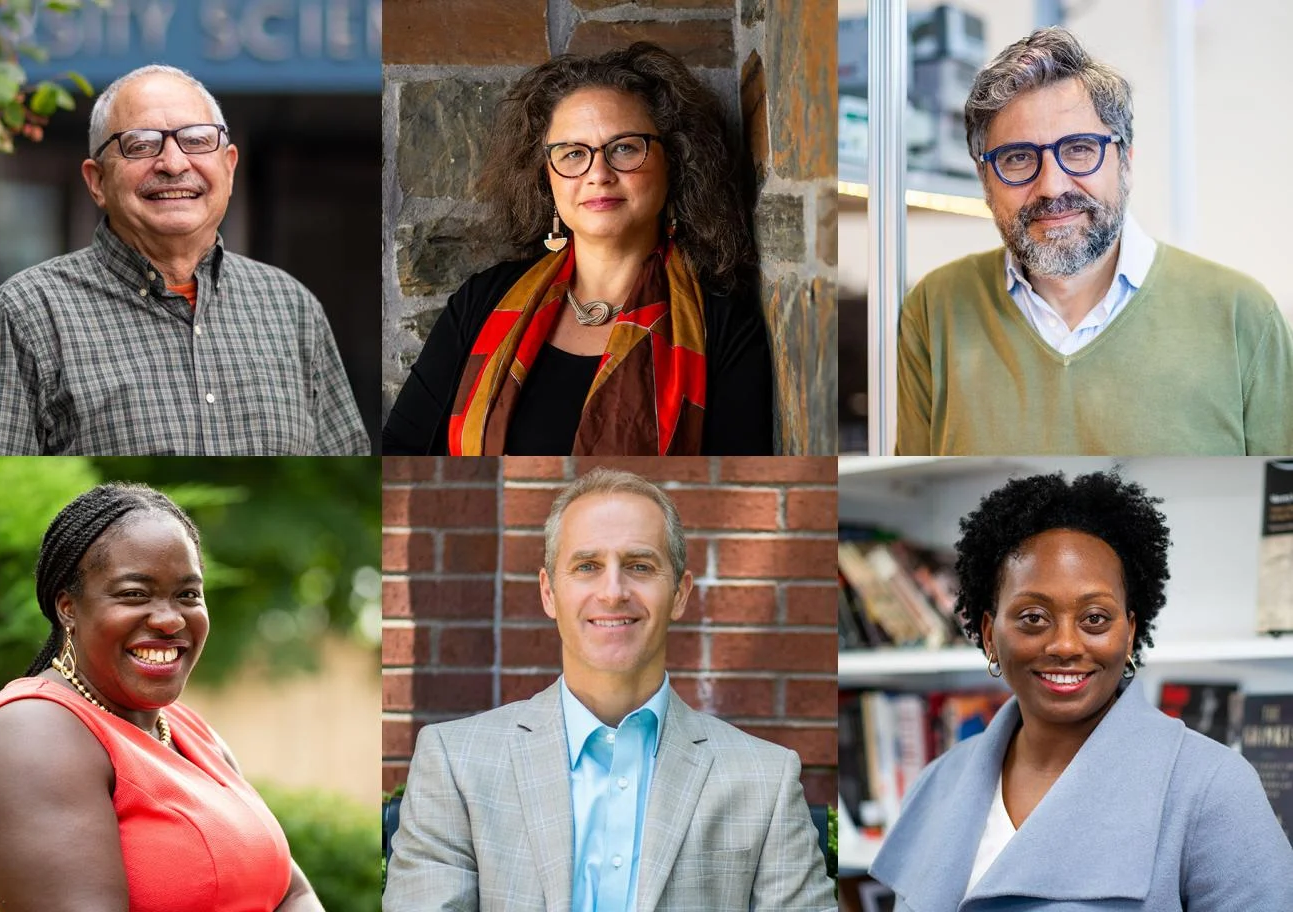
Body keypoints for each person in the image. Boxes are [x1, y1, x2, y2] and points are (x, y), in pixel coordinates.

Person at [383, 468, 834, 911]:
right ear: (548, 593)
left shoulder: (765, 780)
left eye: (639, 566)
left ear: (679, 593)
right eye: (587, 566)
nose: (613, 591)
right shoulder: (455, 763)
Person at [870, 471, 1293, 910]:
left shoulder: (1210, 786)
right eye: (1033, 617)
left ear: (1129, 633)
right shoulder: (939, 781)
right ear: (989, 633)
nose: (1066, 646)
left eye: (1094, 618)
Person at [895, 27, 1293, 455]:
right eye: (1018, 158)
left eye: (1080, 149)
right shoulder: (934, 309)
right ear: (984, 179)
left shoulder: (1242, 317)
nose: (1051, 186)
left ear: (1126, 161)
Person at [0, 483, 325, 911]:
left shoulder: (185, 729)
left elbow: (292, 892)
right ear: (67, 607)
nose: (168, 619)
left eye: (188, 595)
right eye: (134, 594)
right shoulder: (31, 735)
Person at [0, 65, 369, 456]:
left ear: (230, 166)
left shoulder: (293, 308)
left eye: (197, 140)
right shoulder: (24, 315)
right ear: (97, 181)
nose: (173, 163)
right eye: (141, 144)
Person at [380, 43, 773, 455]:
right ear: (546, 176)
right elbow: (401, 450)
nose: (597, 174)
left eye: (624, 147)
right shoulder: (482, 300)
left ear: (673, 161)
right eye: (572, 154)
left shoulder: (721, 325)